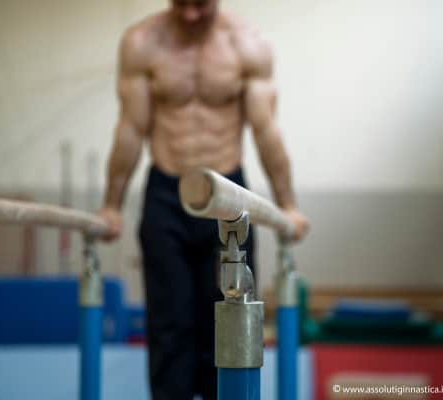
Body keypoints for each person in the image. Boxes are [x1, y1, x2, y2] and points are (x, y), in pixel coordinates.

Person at [97, 1, 309, 399]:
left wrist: (288, 204)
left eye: (201, 4)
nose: (191, 14)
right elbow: (131, 128)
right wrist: (111, 204)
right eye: (181, 3)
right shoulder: (142, 43)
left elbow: (266, 129)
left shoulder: (248, 45)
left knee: (225, 323)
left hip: (228, 195)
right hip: (166, 194)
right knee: (168, 324)